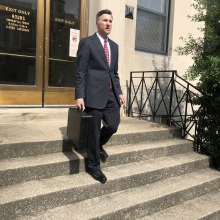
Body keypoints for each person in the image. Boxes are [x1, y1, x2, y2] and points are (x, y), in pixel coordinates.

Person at [75, 9, 126, 183]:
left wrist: (119, 92)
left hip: (111, 94)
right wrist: (80, 95)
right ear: (97, 24)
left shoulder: (114, 46)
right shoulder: (87, 43)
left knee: (112, 125)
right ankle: (94, 167)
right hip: (93, 93)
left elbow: (114, 73)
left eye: (110, 21)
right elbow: (80, 71)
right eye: (105, 20)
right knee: (94, 132)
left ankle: (97, 146)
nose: (108, 23)